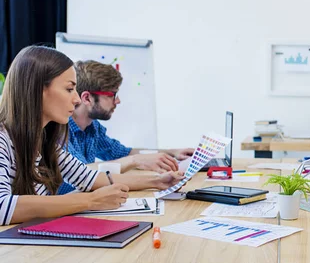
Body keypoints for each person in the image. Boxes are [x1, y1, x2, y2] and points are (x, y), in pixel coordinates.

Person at [0, 46, 184, 225]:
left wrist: (158, 181)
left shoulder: (44, 142)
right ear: (37, 89)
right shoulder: (3, 138)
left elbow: (91, 178)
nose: (77, 99)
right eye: (69, 89)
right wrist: (91, 200)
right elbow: (2, 207)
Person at [57, 60, 194, 194]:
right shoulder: (58, 130)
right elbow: (80, 173)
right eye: (112, 95)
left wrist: (172, 152)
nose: (118, 101)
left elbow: (123, 153)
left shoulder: (93, 127)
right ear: (87, 98)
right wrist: (136, 161)